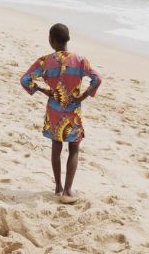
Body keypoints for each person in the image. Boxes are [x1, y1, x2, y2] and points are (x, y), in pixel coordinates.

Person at [19, 23, 102, 204]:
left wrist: (42, 90)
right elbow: (97, 79)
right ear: (68, 39)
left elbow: (24, 80)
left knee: (56, 146)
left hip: (54, 109)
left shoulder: (45, 61)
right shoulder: (80, 60)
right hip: (73, 110)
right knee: (74, 149)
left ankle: (57, 187)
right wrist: (83, 97)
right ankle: (67, 190)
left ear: (51, 40)